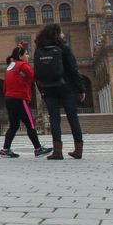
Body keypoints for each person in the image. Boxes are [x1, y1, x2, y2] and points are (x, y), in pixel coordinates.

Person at [33, 24, 85, 159]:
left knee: (54, 119)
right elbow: (74, 70)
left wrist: (42, 90)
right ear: (56, 33)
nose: (63, 34)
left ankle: (57, 151)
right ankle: (78, 150)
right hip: (66, 87)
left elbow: (37, 73)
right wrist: (81, 89)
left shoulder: (39, 49)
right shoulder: (64, 48)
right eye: (61, 32)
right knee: (73, 118)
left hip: (48, 89)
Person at [0, 44, 45, 158]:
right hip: (19, 98)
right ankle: (38, 149)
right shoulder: (23, 65)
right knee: (30, 124)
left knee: (14, 126)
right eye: (26, 54)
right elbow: (33, 77)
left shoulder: (10, 66)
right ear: (20, 56)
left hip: (8, 98)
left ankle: (5, 150)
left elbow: (5, 86)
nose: (28, 55)